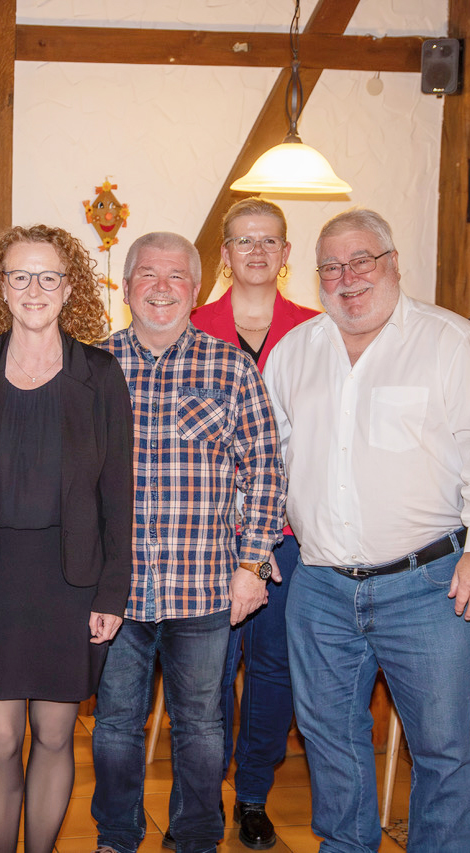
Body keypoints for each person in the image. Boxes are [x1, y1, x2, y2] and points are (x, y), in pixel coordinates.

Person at [263, 208, 470, 852]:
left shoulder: (449, 341)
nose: (347, 277)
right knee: (329, 741)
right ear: (315, 276)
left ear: (392, 263)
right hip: (320, 588)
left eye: (362, 261)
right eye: (331, 266)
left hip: (429, 584)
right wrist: (255, 541)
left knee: (441, 748)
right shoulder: (296, 351)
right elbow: (267, 460)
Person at [0, 224, 133, 853]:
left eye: (49, 276)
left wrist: (110, 595)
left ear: (70, 288)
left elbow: (117, 499)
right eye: (20, 275)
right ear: (1, 286)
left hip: (70, 581)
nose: (34, 289)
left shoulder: (100, 376)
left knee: (52, 734)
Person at [92, 231, 286, 853]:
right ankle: (116, 837)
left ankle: (197, 838)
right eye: (147, 274)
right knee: (116, 725)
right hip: (113, 592)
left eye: (176, 276)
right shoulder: (91, 367)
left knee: (201, 727)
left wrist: (253, 563)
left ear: (197, 290)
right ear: (125, 288)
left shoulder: (230, 367)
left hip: (202, 588)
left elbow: (266, 469)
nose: (161, 287)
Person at [188, 198, 317, 850]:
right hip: (205, 538)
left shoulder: (319, 329)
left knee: (274, 669)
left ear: (287, 254)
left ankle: (255, 794)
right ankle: (202, 793)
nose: (257, 251)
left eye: (270, 240)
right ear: (226, 254)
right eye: (244, 240)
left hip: (289, 535)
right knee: (210, 668)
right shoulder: (189, 322)